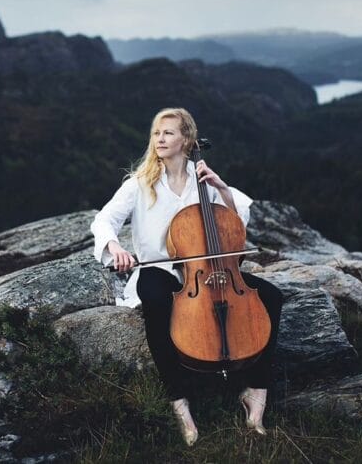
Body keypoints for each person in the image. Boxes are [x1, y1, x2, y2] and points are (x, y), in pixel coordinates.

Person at [90, 107, 283, 446]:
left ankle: (256, 388)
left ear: (187, 140)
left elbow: (238, 217)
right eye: (156, 133)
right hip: (159, 269)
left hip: (208, 271)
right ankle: (178, 399)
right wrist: (115, 247)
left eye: (168, 133)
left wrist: (221, 188)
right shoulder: (139, 184)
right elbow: (103, 220)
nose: (159, 139)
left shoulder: (203, 177)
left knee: (271, 296)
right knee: (155, 298)